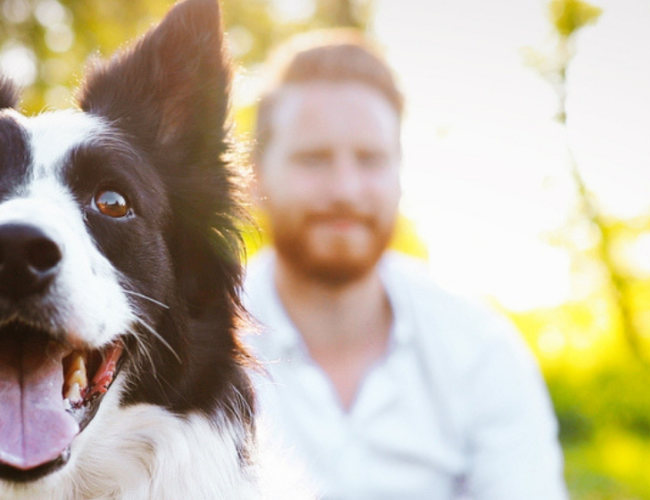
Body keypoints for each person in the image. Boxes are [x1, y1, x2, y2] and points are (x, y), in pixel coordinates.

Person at [241, 31, 567, 500]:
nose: (346, 190)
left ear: (400, 174)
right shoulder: (185, 350)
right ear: (255, 177)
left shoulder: (480, 350)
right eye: (313, 159)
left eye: (370, 160)